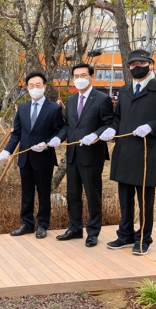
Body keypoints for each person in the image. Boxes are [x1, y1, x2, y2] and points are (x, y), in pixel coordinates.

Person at [99, 49, 156, 255]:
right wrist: (111, 128)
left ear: (151, 64)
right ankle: (124, 234)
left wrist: (151, 127)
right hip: (124, 152)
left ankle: (144, 237)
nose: (136, 67)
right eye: (132, 64)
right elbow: (118, 117)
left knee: (144, 199)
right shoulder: (124, 90)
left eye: (141, 63)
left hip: (146, 153)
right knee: (124, 197)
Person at [49, 63, 114, 247]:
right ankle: (75, 228)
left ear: (91, 77)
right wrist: (58, 138)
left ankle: (93, 232)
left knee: (93, 195)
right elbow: (68, 125)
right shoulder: (70, 101)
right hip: (73, 154)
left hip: (92, 155)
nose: (79, 78)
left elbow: (109, 123)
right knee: (72, 194)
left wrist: (96, 135)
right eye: (76, 75)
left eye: (83, 75)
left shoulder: (102, 99)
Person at [0, 71, 64, 239]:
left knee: (43, 193)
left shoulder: (54, 108)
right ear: (27, 88)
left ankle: (42, 224)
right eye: (31, 86)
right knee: (26, 193)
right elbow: (17, 133)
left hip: (44, 158)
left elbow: (60, 131)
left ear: (44, 87)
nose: (35, 88)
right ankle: (26, 223)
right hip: (25, 158)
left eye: (38, 85)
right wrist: (7, 150)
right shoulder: (23, 108)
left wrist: (49, 142)